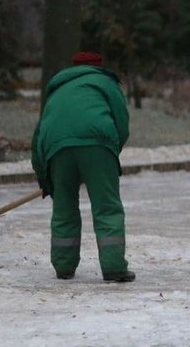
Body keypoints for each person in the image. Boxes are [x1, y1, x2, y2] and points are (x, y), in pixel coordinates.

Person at [30, 51, 134, 282]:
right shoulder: (105, 82)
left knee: (64, 208)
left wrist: (44, 176)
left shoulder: (57, 89)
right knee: (107, 207)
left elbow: (38, 136)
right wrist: (106, 154)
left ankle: (63, 267)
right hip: (97, 143)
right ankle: (114, 267)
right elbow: (122, 124)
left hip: (56, 149)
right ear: (99, 66)